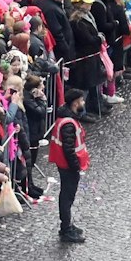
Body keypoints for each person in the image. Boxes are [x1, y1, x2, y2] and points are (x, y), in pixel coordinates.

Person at [49, 89, 91, 243]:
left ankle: (67, 225)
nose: (83, 103)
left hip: (67, 165)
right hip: (68, 166)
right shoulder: (68, 124)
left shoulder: (68, 119)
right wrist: (75, 166)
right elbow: (69, 149)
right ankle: (66, 229)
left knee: (67, 196)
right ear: (75, 103)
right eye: (81, 100)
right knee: (67, 197)